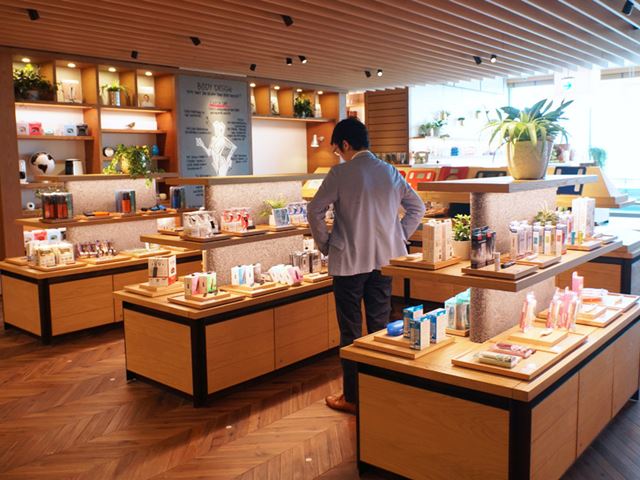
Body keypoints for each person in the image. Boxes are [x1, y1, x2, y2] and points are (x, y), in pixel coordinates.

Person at [308, 118, 425, 414]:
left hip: (348, 262)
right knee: (380, 328)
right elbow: (418, 207)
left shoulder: (340, 173)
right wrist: (399, 235)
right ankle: (377, 392)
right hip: (384, 262)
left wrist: (325, 243)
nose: (338, 154)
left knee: (350, 332)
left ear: (345, 144)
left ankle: (352, 397)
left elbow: (315, 209)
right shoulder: (390, 171)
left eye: (337, 149)